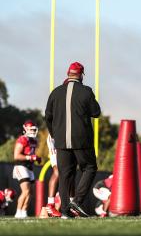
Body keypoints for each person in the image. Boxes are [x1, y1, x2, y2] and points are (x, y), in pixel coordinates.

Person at [45, 61, 101, 218]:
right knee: (89, 167)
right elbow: (96, 112)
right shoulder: (85, 92)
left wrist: (55, 134)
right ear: (81, 75)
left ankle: (64, 211)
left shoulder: (55, 92)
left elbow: (48, 116)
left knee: (64, 175)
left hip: (61, 140)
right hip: (81, 139)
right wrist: (90, 95)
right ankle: (77, 200)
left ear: (68, 74)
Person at [13, 120, 41, 218]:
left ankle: (24, 212)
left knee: (30, 192)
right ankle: (18, 212)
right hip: (21, 166)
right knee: (25, 191)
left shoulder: (34, 140)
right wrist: (30, 157)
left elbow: (31, 154)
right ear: (25, 129)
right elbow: (16, 155)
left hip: (29, 167)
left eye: (34, 129)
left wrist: (36, 158)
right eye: (31, 129)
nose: (33, 131)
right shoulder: (22, 139)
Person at [44, 134, 62, 217]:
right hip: (56, 135)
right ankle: (50, 204)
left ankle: (71, 204)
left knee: (69, 173)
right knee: (57, 171)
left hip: (68, 136)